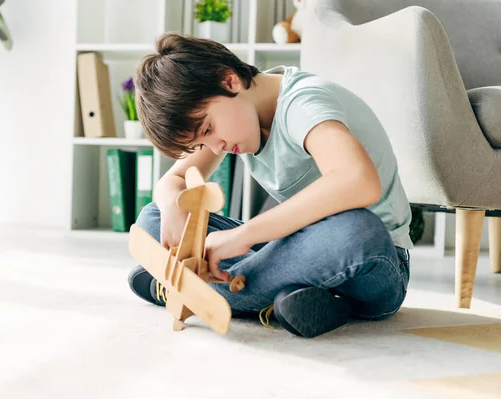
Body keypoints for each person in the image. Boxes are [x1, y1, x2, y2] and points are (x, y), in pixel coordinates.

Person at [127, 33, 412, 338]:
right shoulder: (232, 116)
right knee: (153, 219)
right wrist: (172, 205)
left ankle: (187, 290)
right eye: (201, 141)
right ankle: (294, 300)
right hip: (296, 251)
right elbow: (175, 180)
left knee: (356, 230)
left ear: (230, 81)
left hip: (373, 259)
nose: (214, 145)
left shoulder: (302, 103)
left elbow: (358, 181)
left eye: (208, 129)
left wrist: (243, 235)